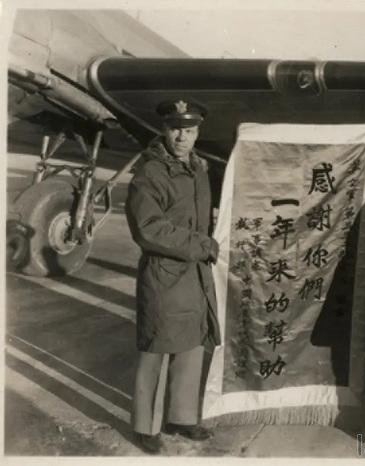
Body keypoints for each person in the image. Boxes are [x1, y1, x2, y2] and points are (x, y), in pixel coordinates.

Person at [125, 99, 220, 454]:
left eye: (190, 130)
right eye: (176, 129)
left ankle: (181, 417)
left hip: (193, 272)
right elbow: (148, 229)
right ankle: (144, 426)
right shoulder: (151, 172)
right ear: (165, 130)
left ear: (198, 133)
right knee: (158, 347)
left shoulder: (198, 168)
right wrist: (201, 244)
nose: (183, 136)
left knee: (192, 344)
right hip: (164, 273)